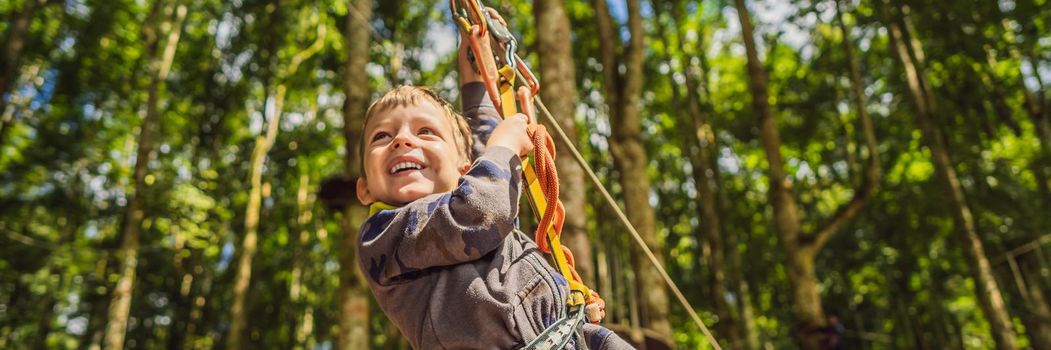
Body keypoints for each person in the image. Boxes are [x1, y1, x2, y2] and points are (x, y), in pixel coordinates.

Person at [352, 26, 633, 350]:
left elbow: (484, 141)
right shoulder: (382, 235)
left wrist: (475, 61)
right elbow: (480, 212)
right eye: (382, 136)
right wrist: (504, 147)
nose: (402, 140)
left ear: (465, 169)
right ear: (365, 190)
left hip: (571, 334)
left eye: (426, 131)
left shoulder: (480, 183)